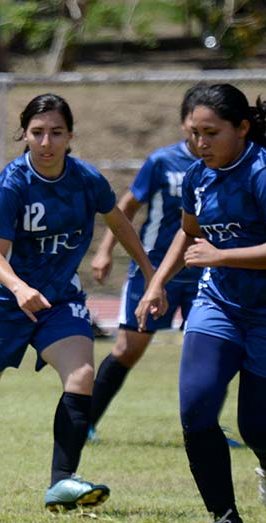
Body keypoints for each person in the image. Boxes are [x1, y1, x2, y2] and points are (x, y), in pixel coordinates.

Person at [0, 93, 155, 513]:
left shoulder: (86, 180)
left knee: (82, 374)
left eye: (56, 132)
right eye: (37, 133)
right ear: (24, 135)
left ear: (71, 135)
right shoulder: (12, 184)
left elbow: (118, 221)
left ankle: (61, 484)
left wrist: (148, 271)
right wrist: (19, 288)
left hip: (58, 299)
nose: (47, 142)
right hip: (3, 303)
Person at [135, 83, 266, 523]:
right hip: (218, 304)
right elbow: (188, 234)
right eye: (193, 134)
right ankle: (225, 521)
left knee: (256, 425)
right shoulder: (198, 176)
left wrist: (220, 256)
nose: (200, 144)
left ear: (242, 128)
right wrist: (156, 284)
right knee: (196, 411)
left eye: (211, 133)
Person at [87, 85, 206, 438]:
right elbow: (125, 208)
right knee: (127, 349)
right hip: (155, 271)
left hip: (205, 271)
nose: (200, 134)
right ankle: (86, 422)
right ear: (185, 122)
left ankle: (205, 428)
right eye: (193, 123)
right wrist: (105, 249)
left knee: (209, 351)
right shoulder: (162, 162)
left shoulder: (225, 165)